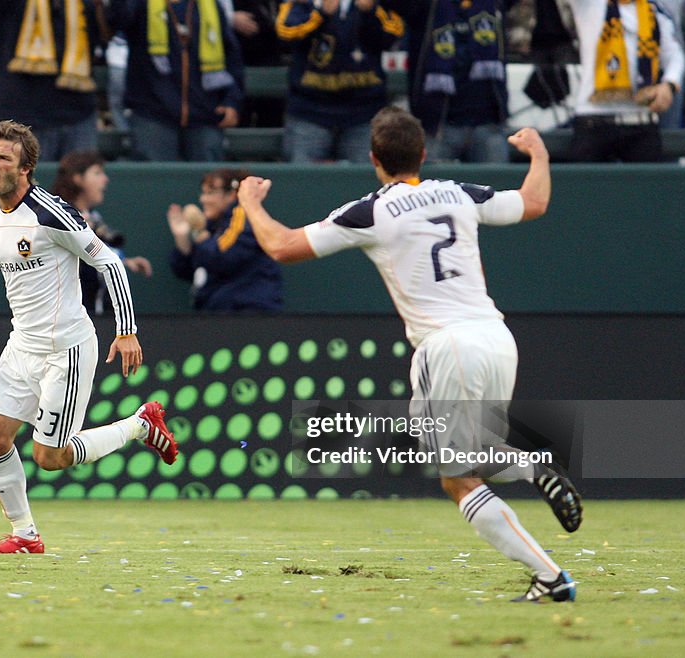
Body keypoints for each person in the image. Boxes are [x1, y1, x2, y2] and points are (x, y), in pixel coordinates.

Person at [236, 106, 584, 602]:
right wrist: (540, 154)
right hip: (495, 336)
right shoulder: (460, 193)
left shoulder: (371, 211)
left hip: (447, 345)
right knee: (452, 450)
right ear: (423, 154)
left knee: (458, 478)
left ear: (374, 159)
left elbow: (282, 246)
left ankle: (549, 572)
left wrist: (250, 202)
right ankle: (532, 471)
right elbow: (534, 202)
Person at [0, 120, 178, 554]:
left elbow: (110, 263)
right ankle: (25, 535)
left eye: (3, 158)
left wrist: (126, 331)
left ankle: (140, 424)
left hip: (67, 349)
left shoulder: (51, 213)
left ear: (24, 167)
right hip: (21, 347)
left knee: (51, 458)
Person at [380, 0, 516, 163]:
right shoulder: (426, 6)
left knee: (497, 187)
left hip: (488, 122)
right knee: (431, 188)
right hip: (438, 125)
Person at [109, 0, 245, 161]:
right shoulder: (139, 4)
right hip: (153, 112)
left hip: (205, 113)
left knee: (210, 179)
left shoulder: (210, 6)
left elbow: (232, 58)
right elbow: (116, 20)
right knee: (155, 180)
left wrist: (231, 101)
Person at [276, 0, 403, 162]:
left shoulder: (375, 4)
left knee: (364, 183)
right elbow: (286, 32)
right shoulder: (303, 3)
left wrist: (370, 11)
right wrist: (321, 13)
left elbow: (394, 33)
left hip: (364, 114)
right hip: (310, 113)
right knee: (303, 182)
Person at [0, 0, 110, 161]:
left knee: (81, 183)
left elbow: (110, 28)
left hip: (78, 111)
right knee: (27, 184)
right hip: (22, 115)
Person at [565, 0, 685, 162]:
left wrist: (669, 85)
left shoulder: (654, 11)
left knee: (647, 184)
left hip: (641, 119)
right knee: (584, 185)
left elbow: (674, 56)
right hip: (593, 119)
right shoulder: (590, 4)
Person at [50, 150, 153, 315]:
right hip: (67, 318)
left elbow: (98, 255)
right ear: (77, 178)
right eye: (97, 173)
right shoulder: (57, 218)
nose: (105, 179)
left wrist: (125, 262)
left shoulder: (93, 216)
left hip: (95, 316)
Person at [168, 168, 283, 311]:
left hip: (248, 313)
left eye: (210, 193)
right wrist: (182, 239)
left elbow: (223, 257)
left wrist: (199, 233)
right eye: (203, 193)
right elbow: (186, 271)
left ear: (231, 195)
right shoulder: (213, 225)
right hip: (218, 316)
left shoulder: (243, 217)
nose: (203, 199)